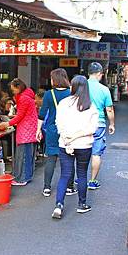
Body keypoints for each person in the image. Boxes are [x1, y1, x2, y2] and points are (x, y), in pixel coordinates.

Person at [52, 75, 98, 219]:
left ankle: (59, 205)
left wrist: (67, 139)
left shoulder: (64, 103)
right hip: (84, 145)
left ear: (72, 87)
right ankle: (82, 205)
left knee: (65, 175)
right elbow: (92, 128)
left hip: (65, 144)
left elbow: (58, 123)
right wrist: (76, 137)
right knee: (82, 174)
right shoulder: (90, 105)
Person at [36, 68, 73, 197]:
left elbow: (42, 114)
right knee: (68, 158)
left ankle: (47, 187)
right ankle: (69, 187)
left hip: (52, 129)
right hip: (68, 130)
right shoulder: (71, 93)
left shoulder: (48, 94)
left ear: (55, 80)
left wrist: (38, 130)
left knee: (51, 158)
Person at [0, 79, 38, 186]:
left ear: (18, 87)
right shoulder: (27, 95)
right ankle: (27, 176)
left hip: (26, 130)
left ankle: (22, 178)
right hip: (29, 128)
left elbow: (20, 116)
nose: (12, 91)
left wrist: (7, 124)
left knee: (23, 155)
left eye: (13, 89)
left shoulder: (24, 98)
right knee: (27, 154)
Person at [86, 62, 115, 190]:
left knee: (81, 151)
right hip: (99, 123)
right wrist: (112, 124)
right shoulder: (104, 89)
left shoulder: (81, 87)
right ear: (99, 74)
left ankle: (80, 178)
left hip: (82, 123)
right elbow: (109, 109)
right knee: (96, 153)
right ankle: (92, 181)